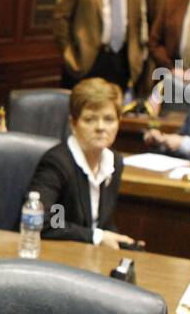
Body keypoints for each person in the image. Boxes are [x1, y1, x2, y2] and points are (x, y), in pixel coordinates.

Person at [27, 78, 135, 249]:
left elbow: (102, 222)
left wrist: (122, 242)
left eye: (108, 119)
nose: (101, 127)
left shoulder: (114, 162)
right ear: (73, 123)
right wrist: (97, 237)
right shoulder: (59, 163)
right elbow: (48, 223)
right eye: (90, 119)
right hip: (55, 256)